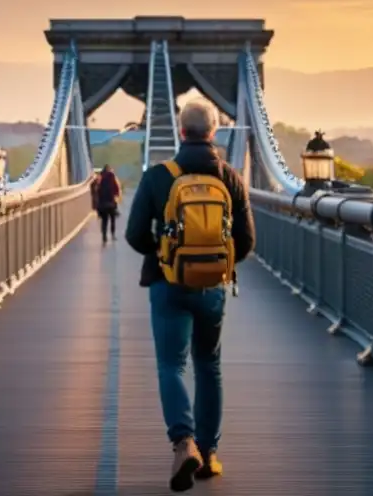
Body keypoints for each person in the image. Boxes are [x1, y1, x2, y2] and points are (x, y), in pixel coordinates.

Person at [125, 97, 255, 492]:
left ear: (181, 131)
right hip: (212, 287)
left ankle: (183, 443)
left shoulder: (157, 175)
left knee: (171, 365)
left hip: (168, 285)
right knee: (208, 366)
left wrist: (166, 255)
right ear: (214, 132)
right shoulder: (230, 176)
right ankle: (209, 454)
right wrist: (216, 264)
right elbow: (246, 241)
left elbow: (133, 235)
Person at [94, 164, 122, 242]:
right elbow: (117, 188)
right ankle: (113, 235)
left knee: (104, 220)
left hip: (102, 204)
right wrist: (116, 196)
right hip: (111, 203)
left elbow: (96, 189)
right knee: (112, 219)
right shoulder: (112, 176)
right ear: (109, 169)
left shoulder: (100, 177)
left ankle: (104, 236)